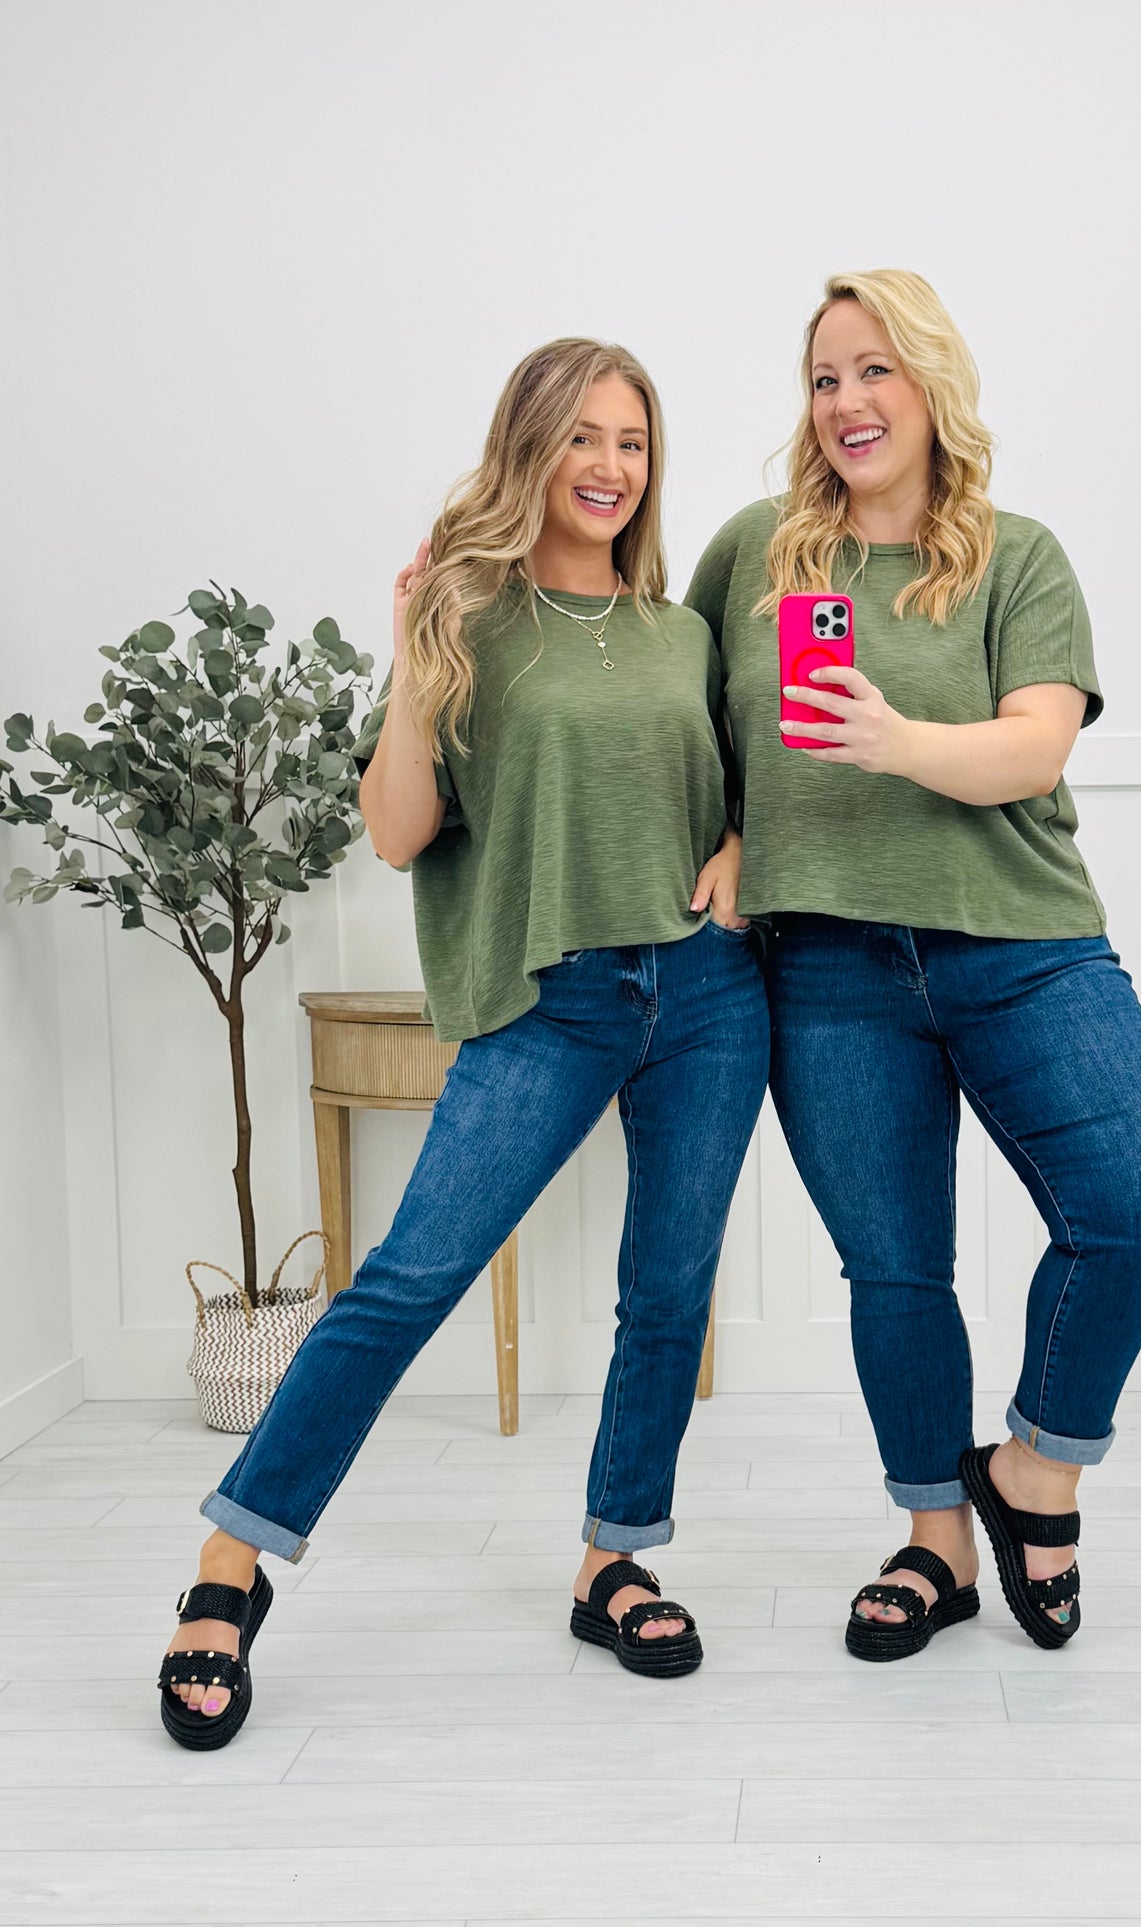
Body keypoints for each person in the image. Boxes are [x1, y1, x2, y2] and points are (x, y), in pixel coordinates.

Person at [159, 338, 769, 1746]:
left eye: (631, 441)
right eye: (580, 439)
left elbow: (745, 794)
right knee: (404, 1283)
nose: (609, 467)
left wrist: (739, 847)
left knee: (667, 1293)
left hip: (706, 994)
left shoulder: (682, 634)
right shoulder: (466, 620)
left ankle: (615, 1560)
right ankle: (228, 1567)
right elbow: (394, 833)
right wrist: (413, 656)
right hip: (548, 999)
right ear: (528, 450)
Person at [686, 270, 1141, 1654]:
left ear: (930, 385)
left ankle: (1035, 1473)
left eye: (875, 371)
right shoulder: (756, 554)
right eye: (823, 378)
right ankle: (936, 1543)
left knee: (1135, 1196)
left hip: (1024, 947)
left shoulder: (1017, 556)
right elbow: (686, 716)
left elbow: (1035, 744)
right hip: (829, 967)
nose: (846, 402)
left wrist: (894, 740)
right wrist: (731, 828)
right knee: (896, 1271)